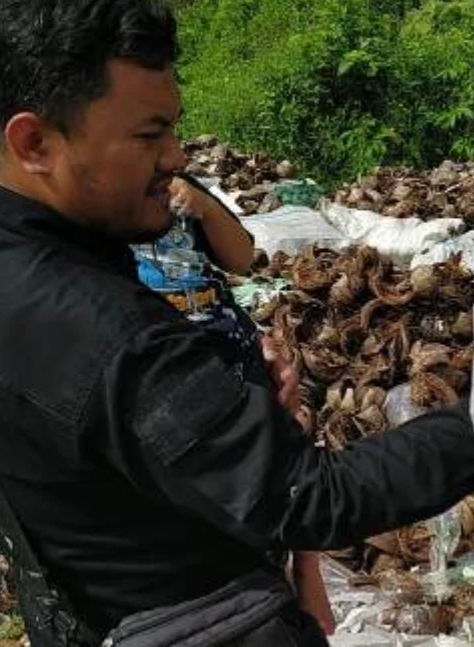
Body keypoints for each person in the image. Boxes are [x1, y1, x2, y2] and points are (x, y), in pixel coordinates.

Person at [0, 0, 474, 645]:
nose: (176, 157)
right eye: (149, 135)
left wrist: (219, 387)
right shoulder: (110, 333)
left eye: (173, 127)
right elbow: (310, 497)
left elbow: (75, 447)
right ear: (36, 144)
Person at [137, 176, 336, 634]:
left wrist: (204, 206)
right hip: (165, 363)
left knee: (284, 450)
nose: (172, 154)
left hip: (228, 342)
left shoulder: (178, 188)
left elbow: (243, 258)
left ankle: (304, 568)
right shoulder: (96, 207)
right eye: (150, 133)